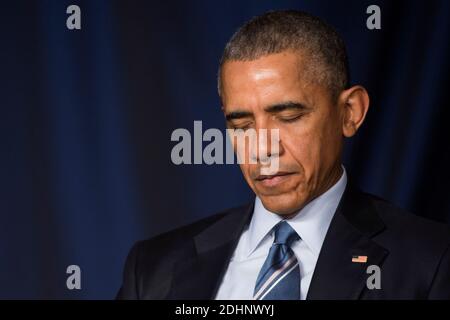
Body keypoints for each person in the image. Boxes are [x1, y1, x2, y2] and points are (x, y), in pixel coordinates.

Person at [117, 10, 450, 300]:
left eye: (288, 117)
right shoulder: (152, 269)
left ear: (350, 112)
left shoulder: (432, 261)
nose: (262, 148)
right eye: (242, 125)